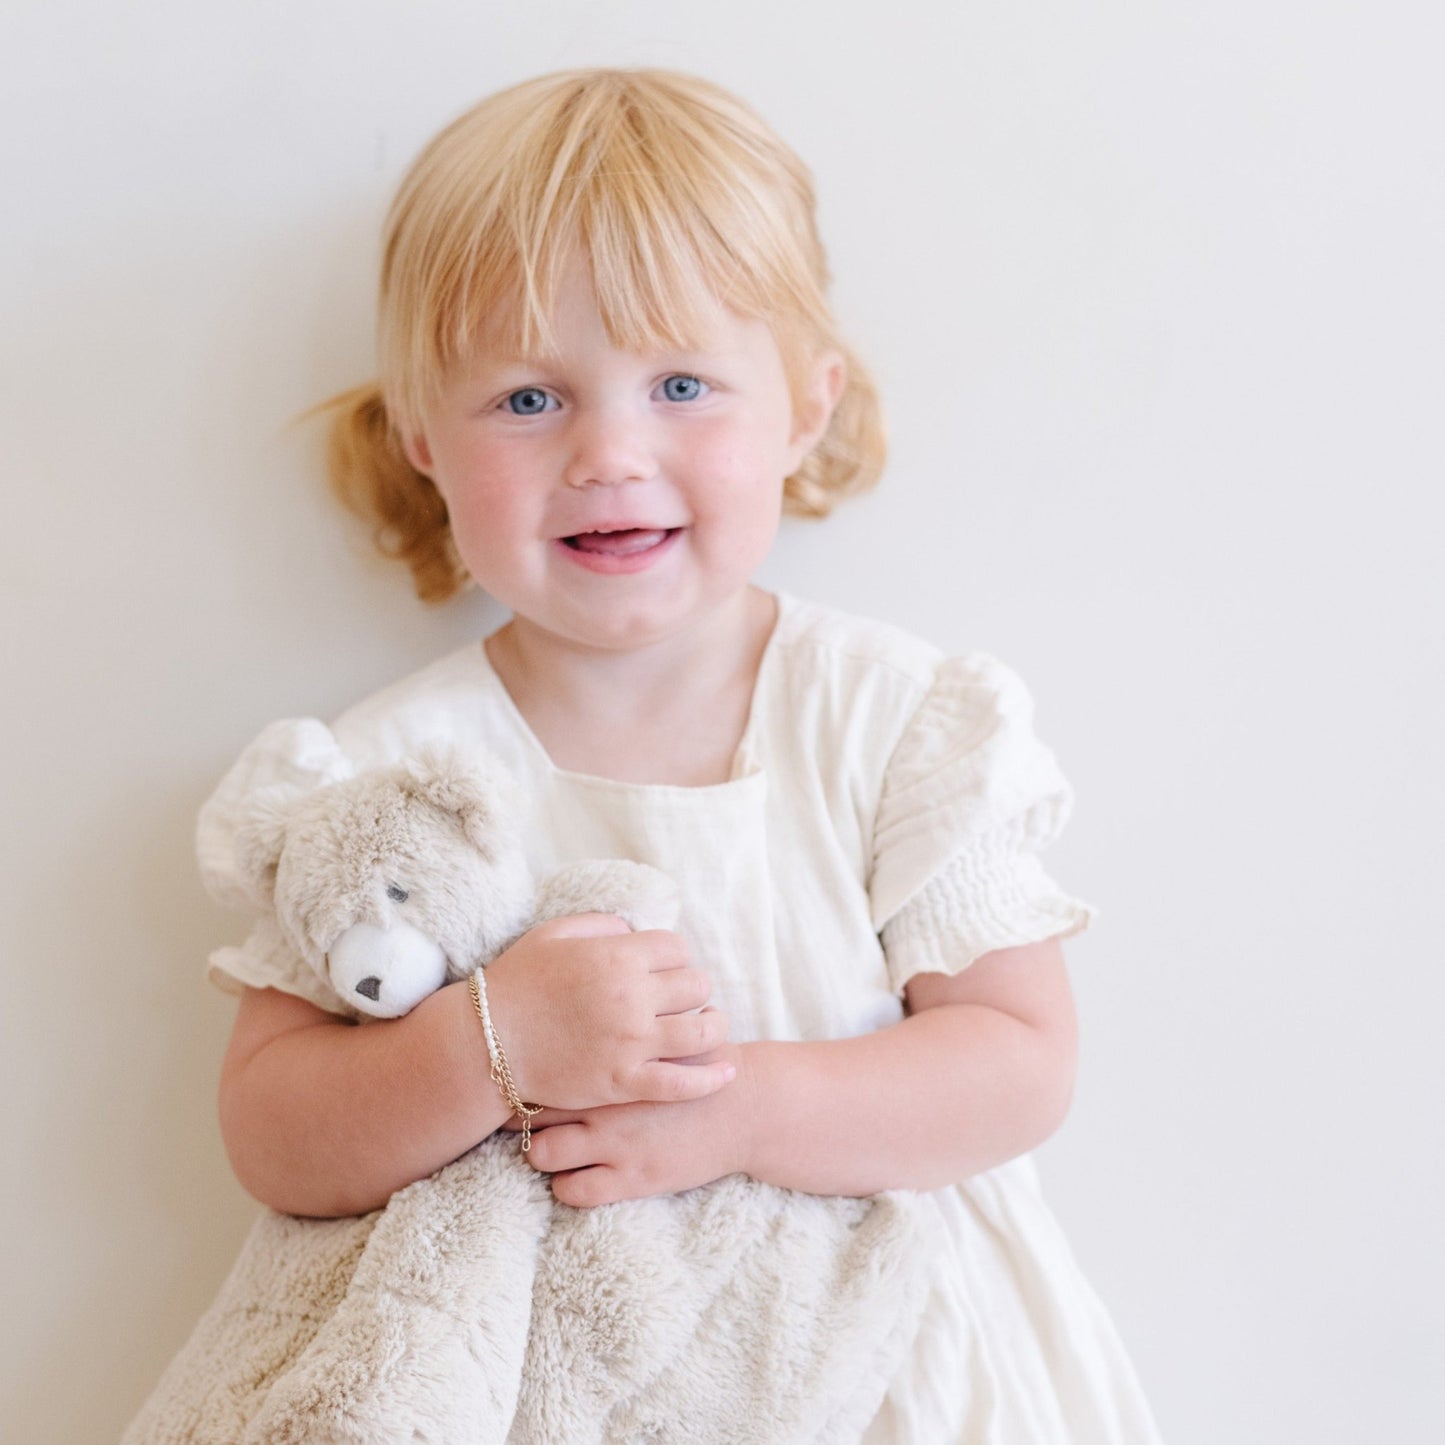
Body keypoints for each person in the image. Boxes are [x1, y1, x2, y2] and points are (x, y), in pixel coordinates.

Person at [201, 68, 1162, 1442]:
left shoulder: (890, 720)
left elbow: (1017, 1059)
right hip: (562, 1381)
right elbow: (271, 1132)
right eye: (528, 399)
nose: (609, 451)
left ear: (804, 407)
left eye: (681, 383)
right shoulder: (391, 775)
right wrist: (493, 1041)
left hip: (889, 1365)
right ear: (422, 435)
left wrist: (738, 1113)